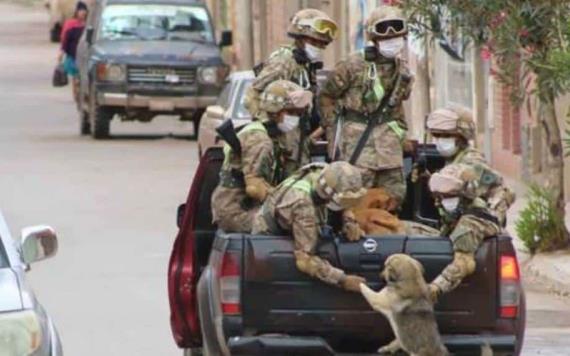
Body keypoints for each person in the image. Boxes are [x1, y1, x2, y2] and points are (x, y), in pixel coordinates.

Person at [319, 5, 414, 208]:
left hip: (389, 148)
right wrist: (332, 132)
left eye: (396, 37)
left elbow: (396, 108)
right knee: (353, 196)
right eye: (386, 38)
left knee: (394, 195)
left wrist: (402, 135)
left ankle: (386, 232)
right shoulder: (352, 66)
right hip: (356, 144)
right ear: (374, 38)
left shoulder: (403, 72)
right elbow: (326, 97)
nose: (391, 41)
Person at [244, 9, 338, 177]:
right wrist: (270, 129)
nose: (319, 47)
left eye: (322, 44)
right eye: (314, 42)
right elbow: (252, 94)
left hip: (297, 143)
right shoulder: (284, 61)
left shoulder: (305, 65)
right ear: (300, 37)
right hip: (282, 145)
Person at [211, 80, 313, 233]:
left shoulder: (276, 137)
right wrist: (287, 202)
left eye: (298, 114)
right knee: (301, 223)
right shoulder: (260, 140)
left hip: (248, 207)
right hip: (236, 212)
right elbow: (254, 187)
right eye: (291, 113)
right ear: (275, 111)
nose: (296, 118)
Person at [252, 161, 367, 292]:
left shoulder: (324, 172)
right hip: (270, 237)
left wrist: (349, 221)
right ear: (328, 196)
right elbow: (304, 261)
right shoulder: (304, 208)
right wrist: (343, 280)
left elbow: (342, 198)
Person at [426, 106, 515, 226]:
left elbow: (471, 170)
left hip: (478, 221)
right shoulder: (450, 158)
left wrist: (450, 176)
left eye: (446, 136)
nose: (439, 140)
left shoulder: (472, 157)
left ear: (461, 137)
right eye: (436, 135)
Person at [427, 164, 505, 301]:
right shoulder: (463, 213)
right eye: (439, 196)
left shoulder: (469, 224)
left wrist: (435, 288)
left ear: (465, 197)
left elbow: (464, 263)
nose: (439, 203)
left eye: (448, 197)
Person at [58, 1, 88, 104]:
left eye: (84, 11)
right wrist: (61, 52)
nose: (82, 13)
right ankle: (76, 96)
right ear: (76, 12)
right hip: (73, 54)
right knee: (75, 77)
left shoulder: (89, 25)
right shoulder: (70, 24)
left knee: (84, 77)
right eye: (80, 11)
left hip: (85, 56)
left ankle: (83, 95)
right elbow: (64, 39)